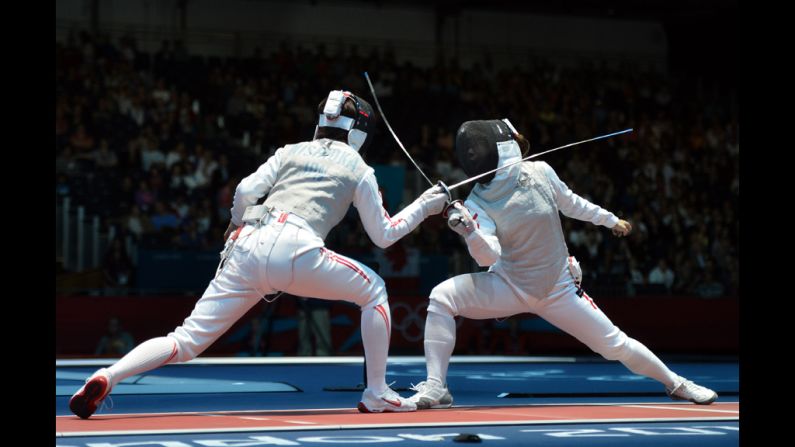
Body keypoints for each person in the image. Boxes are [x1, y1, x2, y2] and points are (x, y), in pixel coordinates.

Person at [70, 90, 448, 418]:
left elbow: (245, 190)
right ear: (360, 130)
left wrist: (235, 223)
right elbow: (384, 235)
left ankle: (107, 376)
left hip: (248, 244)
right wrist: (426, 206)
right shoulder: (359, 168)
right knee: (374, 290)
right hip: (297, 248)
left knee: (184, 340)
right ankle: (377, 392)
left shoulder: (290, 151)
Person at [407, 119, 718, 409]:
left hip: (557, 287)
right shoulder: (476, 201)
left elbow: (571, 202)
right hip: (510, 284)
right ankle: (436, 387)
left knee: (615, 345)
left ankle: (677, 383)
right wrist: (470, 231)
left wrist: (609, 220)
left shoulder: (541, 171)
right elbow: (487, 256)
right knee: (441, 297)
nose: (474, 153)